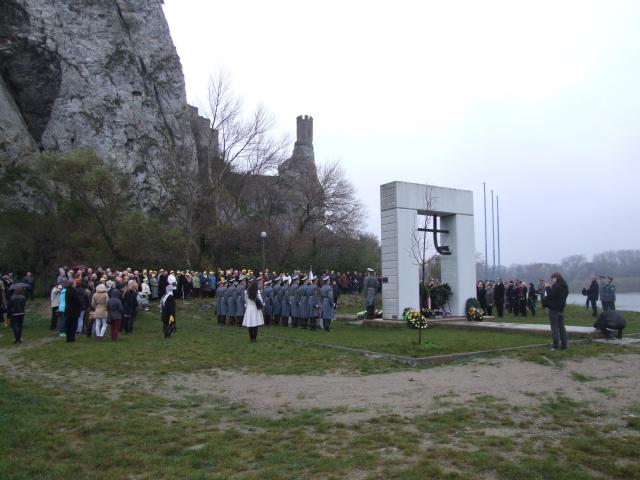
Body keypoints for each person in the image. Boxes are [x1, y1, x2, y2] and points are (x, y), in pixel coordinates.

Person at [542, 272, 569, 351]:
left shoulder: (556, 286)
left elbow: (551, 296)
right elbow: (558, 296)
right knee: (562, 328)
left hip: (554, 309)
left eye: (552, 279)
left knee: (554, 328)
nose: (552, 280)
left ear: (556, 278)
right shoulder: (565, 286)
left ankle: (555, 345)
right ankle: (564, 345)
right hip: (561, 309)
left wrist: (547, 288)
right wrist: (552, 287)